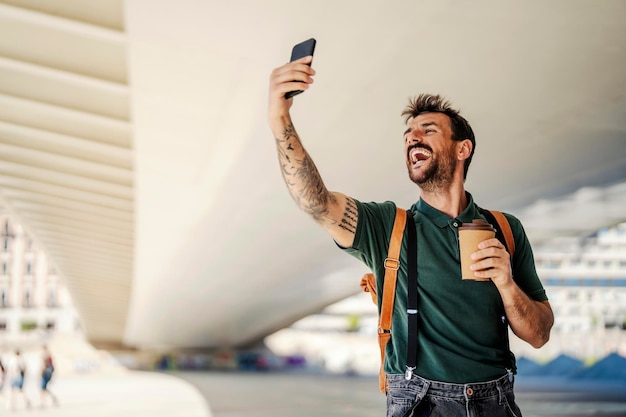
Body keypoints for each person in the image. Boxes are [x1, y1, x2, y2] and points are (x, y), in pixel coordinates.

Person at [268, 55, 554, 416]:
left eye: (428, 130)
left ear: (462, 149)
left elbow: (539, 335)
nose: (412, 138)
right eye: (408, 135)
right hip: (421, 404)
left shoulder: (506, 229)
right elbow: (316, 203)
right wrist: (280, 118)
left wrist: (507, 284)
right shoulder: (389, 225)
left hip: (495, 402)